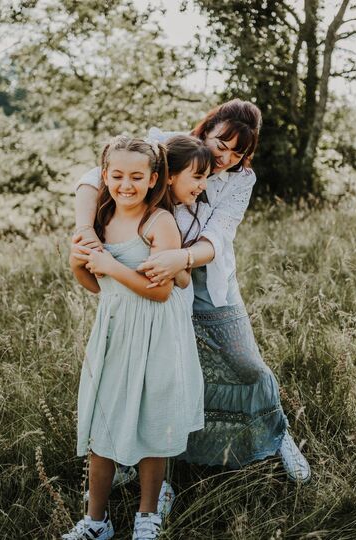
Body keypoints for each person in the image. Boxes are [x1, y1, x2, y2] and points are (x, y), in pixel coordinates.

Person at [75, 99, 311, 491]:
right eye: (222, 144)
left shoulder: (240, 180)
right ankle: (155, 458)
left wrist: (180, 260)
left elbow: (218, 234)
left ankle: (276, 432)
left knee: (245, 362)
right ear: (205, 130)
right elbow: (92, 177)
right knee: (165, 373)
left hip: (205, 278)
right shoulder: (168, 146)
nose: (226, 157)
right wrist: (85, 229)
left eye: (239, 152)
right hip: (154, 279)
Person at [64, 135, 206, 540]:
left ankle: (148, 515)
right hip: (114, 331)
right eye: (118, 175)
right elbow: (95, 286)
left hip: (157, 334)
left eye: (137, 177)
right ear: (105, 175)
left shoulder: (158, 222)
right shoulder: (101, 218)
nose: (126, 184)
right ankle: (96, 521)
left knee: (153, 425)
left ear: (153, 178)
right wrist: (79, 263)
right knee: (103, 424)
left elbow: (160, 291)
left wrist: (109, 263)